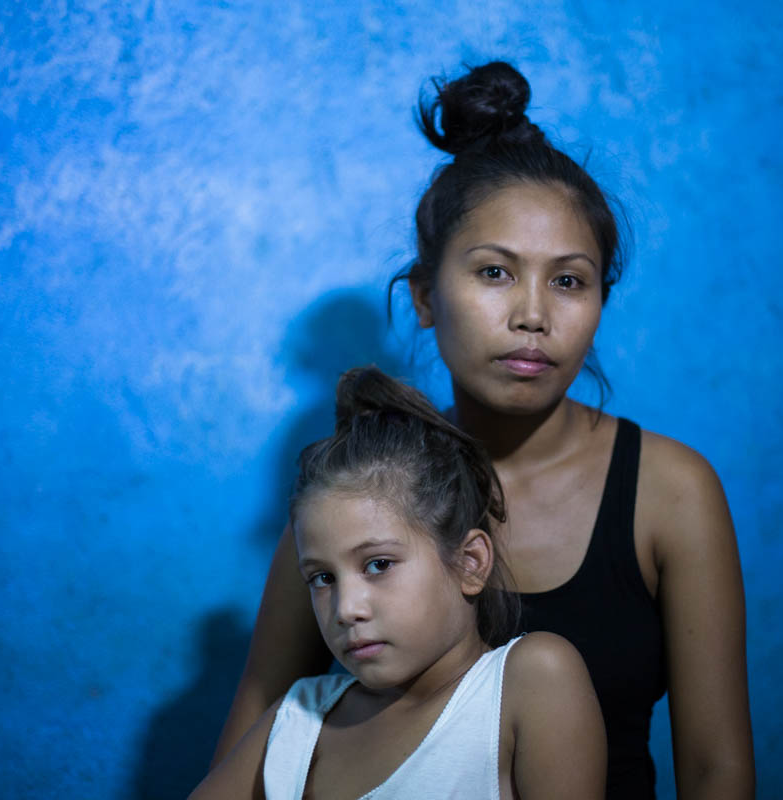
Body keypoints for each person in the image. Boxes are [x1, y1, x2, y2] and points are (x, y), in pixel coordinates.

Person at [214, 61, 755, 798]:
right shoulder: (358, 488)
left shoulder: (672, 493)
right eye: (495, 273)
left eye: (568, 280)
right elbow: (263, 728)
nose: (533, 315)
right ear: (426, 296)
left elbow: (716, 770)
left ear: (601, 298)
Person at [192, 367, 606, 799]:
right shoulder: (296, 720)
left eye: (378, 565)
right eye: (322, 577)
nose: (346, 608)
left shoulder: (528, 683)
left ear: (470, 563)